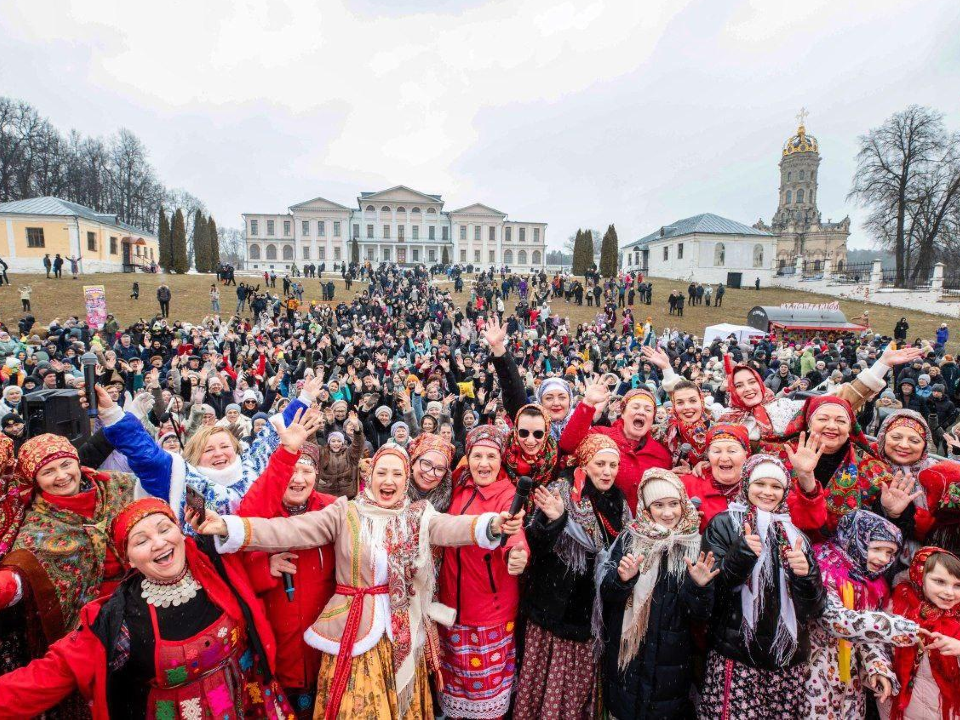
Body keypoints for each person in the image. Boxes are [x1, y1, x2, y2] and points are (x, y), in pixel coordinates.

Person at [195, 442, 524, 720]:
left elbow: (453, 528)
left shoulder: (418, 514)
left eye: (397, 474)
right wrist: (230, 527)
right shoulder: (345, 512)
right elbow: (290, 529)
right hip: (353, 632)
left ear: (405, 478)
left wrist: (493, 523)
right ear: (370, 476)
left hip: (401, 633)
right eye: (382, 472)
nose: (389, 480)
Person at [0, 497, 293, 719]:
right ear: (128, 559)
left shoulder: (210, 562)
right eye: (141, 541)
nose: (159, 542)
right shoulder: (119, 620)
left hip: (252, 696)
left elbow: (260, 507)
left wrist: (264, 571)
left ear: (180, 533)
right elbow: (51, 674)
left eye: (165, 529)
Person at [698, 454, 827, 718]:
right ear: (746, 485)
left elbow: (814, 608)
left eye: (776, 486)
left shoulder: (795, 535)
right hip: (737, 653)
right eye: (760, 484)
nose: (767, 492)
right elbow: (715, 590)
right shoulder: (725, 524)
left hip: (786, 658)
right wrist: (742, 554)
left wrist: (805, 576)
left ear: (785, 491)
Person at [513, 435, 630, 719]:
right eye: (600, 463)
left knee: (576, 690)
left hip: (589, 610)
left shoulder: (619, 501)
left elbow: (620, 547)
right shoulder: (561, 491)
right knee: (543, 682)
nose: (607, 471)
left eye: (613, 465)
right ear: (584, 463)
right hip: (552, 604)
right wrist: (557, 520)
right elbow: (536, 544)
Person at [236, 412, 337, 717]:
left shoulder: (333, 509)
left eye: (306, 470)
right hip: (278, 645)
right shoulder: (262, 509)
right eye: (291, 470)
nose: (298, 478)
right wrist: (264, 569)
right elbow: (238, 565)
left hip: (325, 642)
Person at [600, 468, 715, 719]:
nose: (667, 513)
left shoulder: (695, 544)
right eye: (659, 505)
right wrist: (622, 580)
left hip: (670, 665)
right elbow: (607, 595)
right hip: (627, 660)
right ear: (646, 508)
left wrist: (699, 587)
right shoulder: (629, 539)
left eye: (674, 504)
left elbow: (700, 614)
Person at [438, 426, 530, 720]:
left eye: (491, 456)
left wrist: (518, 553)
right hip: (451, 609)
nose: (484, 463)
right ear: (467, 458)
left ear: (501, 460)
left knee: (487, 696)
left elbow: (511, 527)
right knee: (454, 690)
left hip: (490, 612)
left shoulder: (508, 494)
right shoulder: (458, 485)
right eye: (477, 456)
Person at [880, 546, 960, 719]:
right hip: (903, 707)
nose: (949, 592)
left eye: (957, 585)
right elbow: (878, 649)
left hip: (947, 710)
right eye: (939, 581)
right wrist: (879, 675)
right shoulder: (897, 608)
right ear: (920, 577)